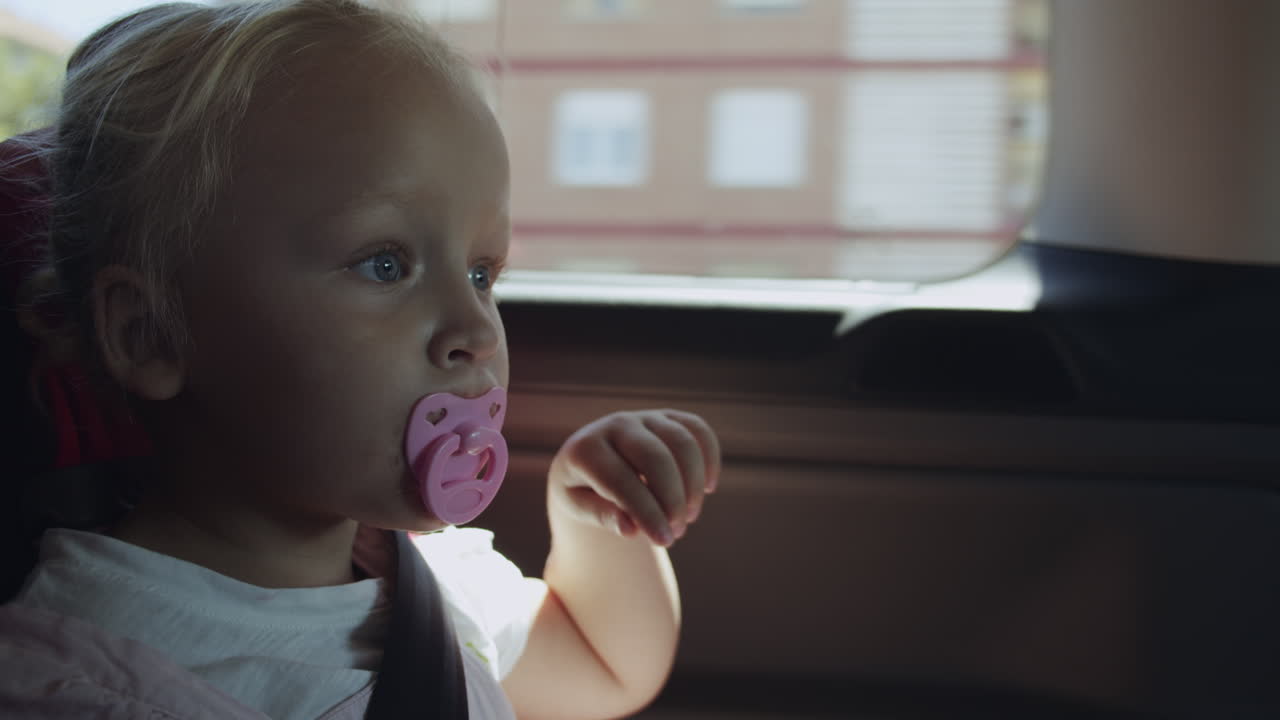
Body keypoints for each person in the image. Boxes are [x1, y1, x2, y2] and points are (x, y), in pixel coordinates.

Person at [0, 1, 720, 718]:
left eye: (480, 273)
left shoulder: (430, 583)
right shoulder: (76, 680)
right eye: (384, 264)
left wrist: (595, 525)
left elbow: (603, 667)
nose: (475, 327)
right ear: (152, 334)